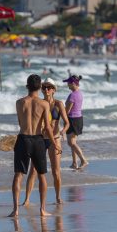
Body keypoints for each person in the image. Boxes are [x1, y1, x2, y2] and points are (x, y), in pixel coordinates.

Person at [9, 74, 60, 217]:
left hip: (23, 139)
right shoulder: (44, 104)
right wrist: (55, 143)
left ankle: (15, 209)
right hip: (38, 140)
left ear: (27, 86)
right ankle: (43, 209)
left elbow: (20, 122)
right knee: (42, 175)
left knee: (18, 175)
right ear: (40, 87)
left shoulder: (19, 103)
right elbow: (48, 128)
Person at [21, 78, 70, 206]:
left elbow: (67, 122)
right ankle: (26, 199)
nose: (46, 89)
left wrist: (63, 131)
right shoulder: (40, 103)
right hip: (40, 140)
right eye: (44, 87)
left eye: (49, 87)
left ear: (54, 90)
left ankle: (58, 197)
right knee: (33, 170)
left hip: (55, 139)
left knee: (56, 171)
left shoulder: (59, 104)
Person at [63, 75, 87, 169]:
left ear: (73, 83)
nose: (67, 85)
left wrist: (60, 116)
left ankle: (83, 160)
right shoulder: (79, 93)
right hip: (78, 118)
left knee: (71, 143)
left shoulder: (73, 95)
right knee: (73, 142)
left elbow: (67, 110)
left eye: (68, 83)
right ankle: (74, 163)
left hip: (73, 119)